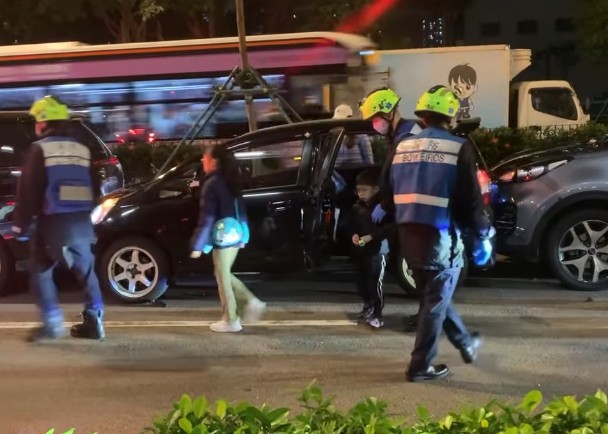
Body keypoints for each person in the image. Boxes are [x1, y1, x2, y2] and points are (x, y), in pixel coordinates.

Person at [388, 85, 494, 382]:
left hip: (408, 237)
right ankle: (419, 367)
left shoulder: (402, 146)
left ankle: (465, 343)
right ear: (450, 116)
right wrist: (483, 234)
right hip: (441, 240)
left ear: (422, 115)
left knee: (433, 297)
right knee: (434, 303)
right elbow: (470, 200)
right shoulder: (458, 147)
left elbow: (387, 193)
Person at [12, 96, 105, 342]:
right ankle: (94, 320)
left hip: (53, 223)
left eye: (36, 120)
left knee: (40, 270)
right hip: (82, 223)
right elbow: (95, 186)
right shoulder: (82, 148)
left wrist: (21, 225)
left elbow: (29, 191)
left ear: (43, 122)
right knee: (86, 272)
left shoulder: (40, 149)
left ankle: (52, 324)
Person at [190, 145, 266, 333]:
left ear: (214, 161)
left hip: (222, 236)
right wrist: (244, 233)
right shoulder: (232, 179)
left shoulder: (211, 184)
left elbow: (206, 218)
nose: (202, 161)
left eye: (205, 158)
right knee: (224, 273)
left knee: (222, 276)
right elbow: (240, 208)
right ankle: (248, 304)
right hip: (236, 233)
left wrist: (198, 244)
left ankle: (232, 318)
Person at [348, 166, 395, 329]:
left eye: (364, 190)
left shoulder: (382, 209)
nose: (361, 193)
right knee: (361, 281)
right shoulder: (357, 207)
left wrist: (371, 237)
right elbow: (351, 225)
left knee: (375, 283)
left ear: (375, 189)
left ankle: (377, 314)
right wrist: (354, 235)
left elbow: (390, 228)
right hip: (362, 251)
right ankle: (367, 306)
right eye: (358, 190)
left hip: (378, 250)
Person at [332, 104, 375, 169]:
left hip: (357, 173)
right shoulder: (332, 137)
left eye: (342, 120)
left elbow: (369, 161)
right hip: (336, 174)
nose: (339, 123)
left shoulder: (361, 136)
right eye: (337, 121)